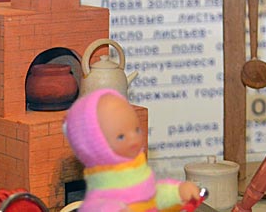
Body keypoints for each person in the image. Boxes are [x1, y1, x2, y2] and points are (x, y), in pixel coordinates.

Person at [64, 89, 202, 212]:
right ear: (94, 147)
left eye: (137, 130)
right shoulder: (101, 197)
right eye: (121, 136)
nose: (134, 138)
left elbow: (153, 198)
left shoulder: (139, 174)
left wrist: (177, 192)